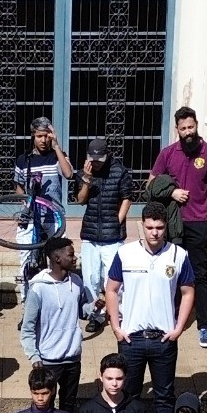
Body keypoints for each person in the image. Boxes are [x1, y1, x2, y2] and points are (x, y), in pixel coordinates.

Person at [104, 205, 195, 413]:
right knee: (129, 396)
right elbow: (111, 289)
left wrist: (179, 328)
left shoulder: (178, 255)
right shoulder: (125, 253)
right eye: (150, 227)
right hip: (131, 338)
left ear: (166, 228)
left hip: (163, 339)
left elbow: (188, 292)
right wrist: (116, 327)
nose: (155, 232)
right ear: (142, 225)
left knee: (164, 397)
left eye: (160, 227)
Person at [150, 107, 207, 348]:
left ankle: (204, 325)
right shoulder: (168, 153)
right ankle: (168, 317)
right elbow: (151, 183)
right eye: (182, 128)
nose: (187, 132)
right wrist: (172, 191)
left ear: (196, 125)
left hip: (198, 223)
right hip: (172, 223)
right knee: (170, 271)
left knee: (199, 275)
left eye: (190, 127)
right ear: (177, 130)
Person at [19, 237, 89, 413]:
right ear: (57, 258)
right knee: (46, 407)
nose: (75, 258)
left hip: (72, 358)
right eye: (71, 255)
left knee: (69, 406)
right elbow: (27, 327)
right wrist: (35, 357)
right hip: (48, 361)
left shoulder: (77, 282)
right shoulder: (38, 288)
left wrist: (94, 308)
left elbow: (82, 311)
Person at [73, 137, 132, 333]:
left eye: (100, 159)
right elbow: (80, 200)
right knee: (90, 278)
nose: (96, 162)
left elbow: (126, 198)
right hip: (90, 233)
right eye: (93, 159)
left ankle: (117, 312)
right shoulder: (84, 172)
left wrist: (118, 220)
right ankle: (95, 314)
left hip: (112, 235)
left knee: (113, 278)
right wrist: (87, 180)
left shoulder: (120, 172)